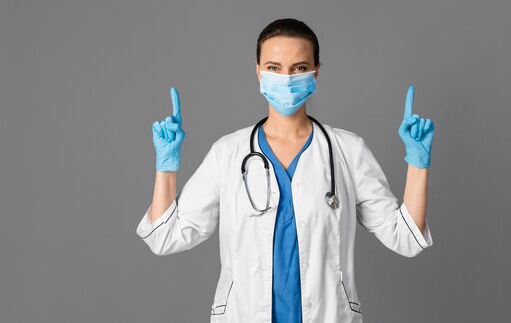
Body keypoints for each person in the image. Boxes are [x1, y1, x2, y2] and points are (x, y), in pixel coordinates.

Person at [136, 18, 434, 322]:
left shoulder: (347, 151)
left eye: (300, 68)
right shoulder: (227, 154)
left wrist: (418, 162)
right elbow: (166, 236)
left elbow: (405, 237)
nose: (287, 78)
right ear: (258, 71)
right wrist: (166, 165)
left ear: (317, 70)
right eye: (274, 67)